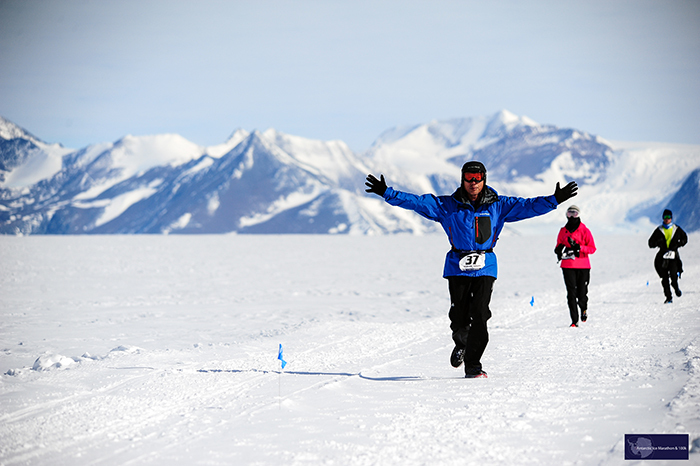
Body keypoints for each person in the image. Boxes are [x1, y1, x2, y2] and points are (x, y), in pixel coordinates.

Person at [365, 161, 578, 378]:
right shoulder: (447, 205)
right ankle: (462, 343)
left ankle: (473, 365)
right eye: (469, 178)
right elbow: (417, 202)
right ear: (462, 179)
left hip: (485, 265)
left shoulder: (499, 205)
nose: (473, 183)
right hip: (457, 265)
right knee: (458, 317)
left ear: (484, 179)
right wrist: (386, 192)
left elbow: (528, 206)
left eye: (477, 178)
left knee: (480, 315)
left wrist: (555, 200)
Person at [554, 205, 596, 327]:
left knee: (581, 294)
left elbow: (592, 249)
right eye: (569, 213)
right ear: (566, 215)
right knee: (571, 293)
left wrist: (579, 247)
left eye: (575, 213)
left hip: (583, 266)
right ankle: (574, 320)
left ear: (579, 215)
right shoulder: (563, 231)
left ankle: (583, 309)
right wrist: (558, 250)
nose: (572, 216)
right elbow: (558, 246)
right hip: (567, 265)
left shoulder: (585, 231)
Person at [648, 209, 687, 303]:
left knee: (674, 276)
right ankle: (669, 298)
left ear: (671, 218)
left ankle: (676, 288)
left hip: (673, 257)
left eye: (668, 217)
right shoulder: (659, 230)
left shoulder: (676, 229)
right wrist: (657, 243)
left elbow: (685, 238)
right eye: (665, 217)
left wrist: (679, 244)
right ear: (662, 218)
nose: (667, 219)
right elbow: (650, 243)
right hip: (662, 258)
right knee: (664, 278)